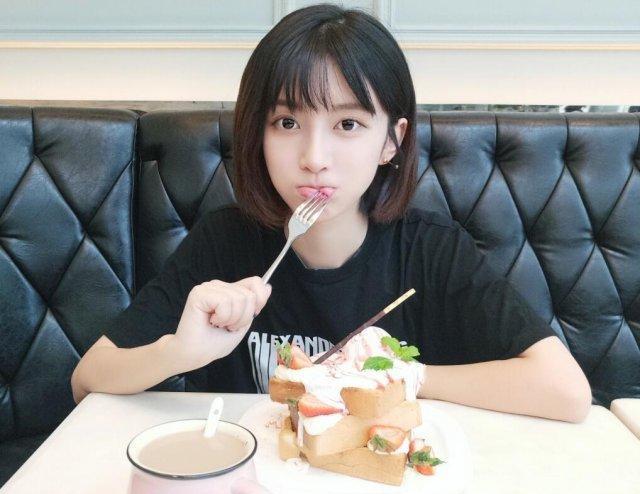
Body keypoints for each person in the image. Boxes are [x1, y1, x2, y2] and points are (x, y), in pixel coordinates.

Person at [70, 4, 591, 422]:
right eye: (287, 122)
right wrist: (181, 353)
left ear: (391, 141)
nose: (314, 157)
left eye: (347, 125)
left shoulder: (429, 249)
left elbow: (566, 391)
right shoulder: (225, 241)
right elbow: (88, 379)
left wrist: (403, 377)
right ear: (257, 134)